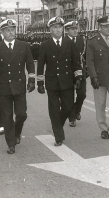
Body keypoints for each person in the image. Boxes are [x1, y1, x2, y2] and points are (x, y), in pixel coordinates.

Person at [0, 19, 35, 154]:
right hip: (3, 87)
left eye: (13, 29)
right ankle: (11, 143)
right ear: (2, 32)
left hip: (19, 85)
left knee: (21, 114)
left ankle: (16, 132)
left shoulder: (23, 45)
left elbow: (30, 63)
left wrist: (31, 79)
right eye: (8, 30)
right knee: (7, 117)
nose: (11, 32)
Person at [37, 17, 83, 146]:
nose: (58, 30)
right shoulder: (45, 45)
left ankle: (58, 125)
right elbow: (40, 65)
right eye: (55, 27)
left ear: (63, 29)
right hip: (52, 82)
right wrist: (39, 83)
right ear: (50, 30)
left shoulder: (69, 44)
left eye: (60, 27)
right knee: (54, 109)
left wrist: (78, 77)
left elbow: (76, 63)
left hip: (67, 81)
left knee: (68, 108)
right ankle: (58, 135)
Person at [64, 20, 87, 127]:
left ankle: (77, 110)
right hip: (68, 71)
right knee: (69, 96)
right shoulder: (63, 41)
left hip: (81, 70)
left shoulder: (81, 39)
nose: (75, 31)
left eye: (76, 29)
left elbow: (85, 55)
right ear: (67, 30)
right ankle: (71, 117)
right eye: (72, 29)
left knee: (82, 94)